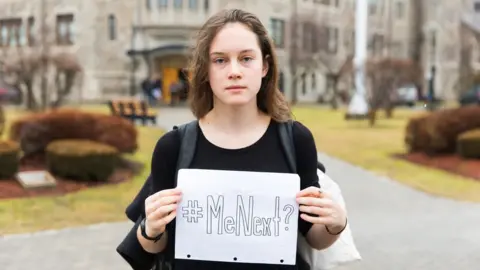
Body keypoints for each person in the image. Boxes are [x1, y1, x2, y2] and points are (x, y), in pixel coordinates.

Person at [117, 8, 348, 270]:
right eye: (220, 60)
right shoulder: (173, 146)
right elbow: (154, 246)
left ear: (265, 66)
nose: (234, 71)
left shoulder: (296, 140)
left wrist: (335, 224)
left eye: (246, 58)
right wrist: (151, 228)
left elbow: (314, 237)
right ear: (205, 70)